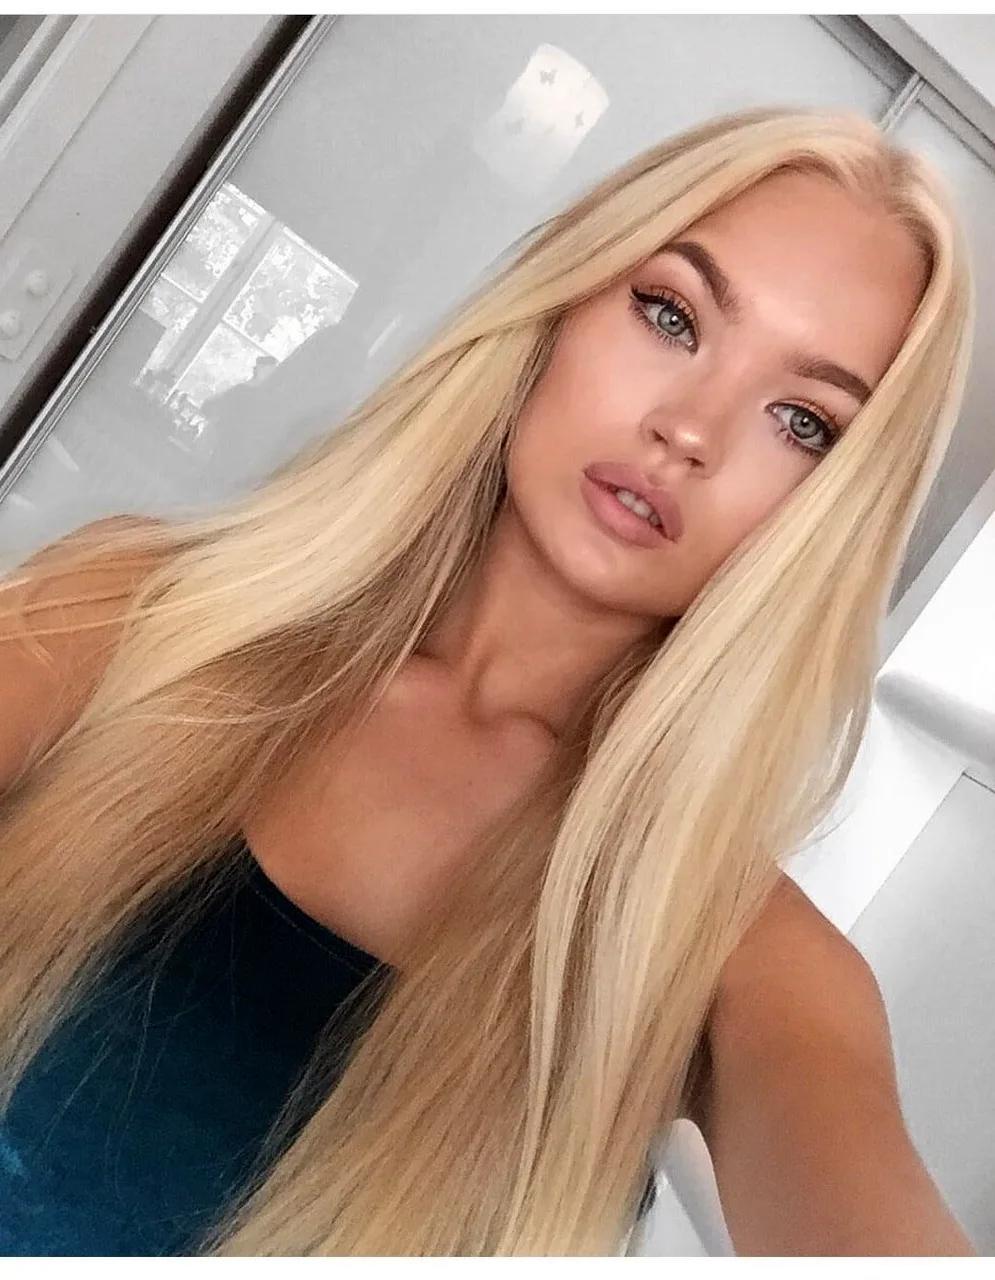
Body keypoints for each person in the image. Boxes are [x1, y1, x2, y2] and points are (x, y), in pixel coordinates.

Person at [0, 106, 977, 1257]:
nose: (689, 430)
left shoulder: (733, 948)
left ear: (829, 513)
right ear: (560, 302)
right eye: (670, 315)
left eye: (801, 421)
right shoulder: (134, 616)